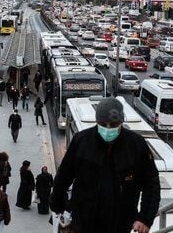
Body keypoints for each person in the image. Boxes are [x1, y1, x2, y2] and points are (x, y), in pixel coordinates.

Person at [50, 97, 160, 233]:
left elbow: (151, 183)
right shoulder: (81, 141)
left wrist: (145, 218)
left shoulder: (136, 145)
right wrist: (58, 205)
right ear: (97, 122)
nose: (108, 129)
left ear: (121, 122)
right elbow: (64, 175)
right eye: (103, 124)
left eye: (113, 125)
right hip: (84, 221)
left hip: (120, 223)